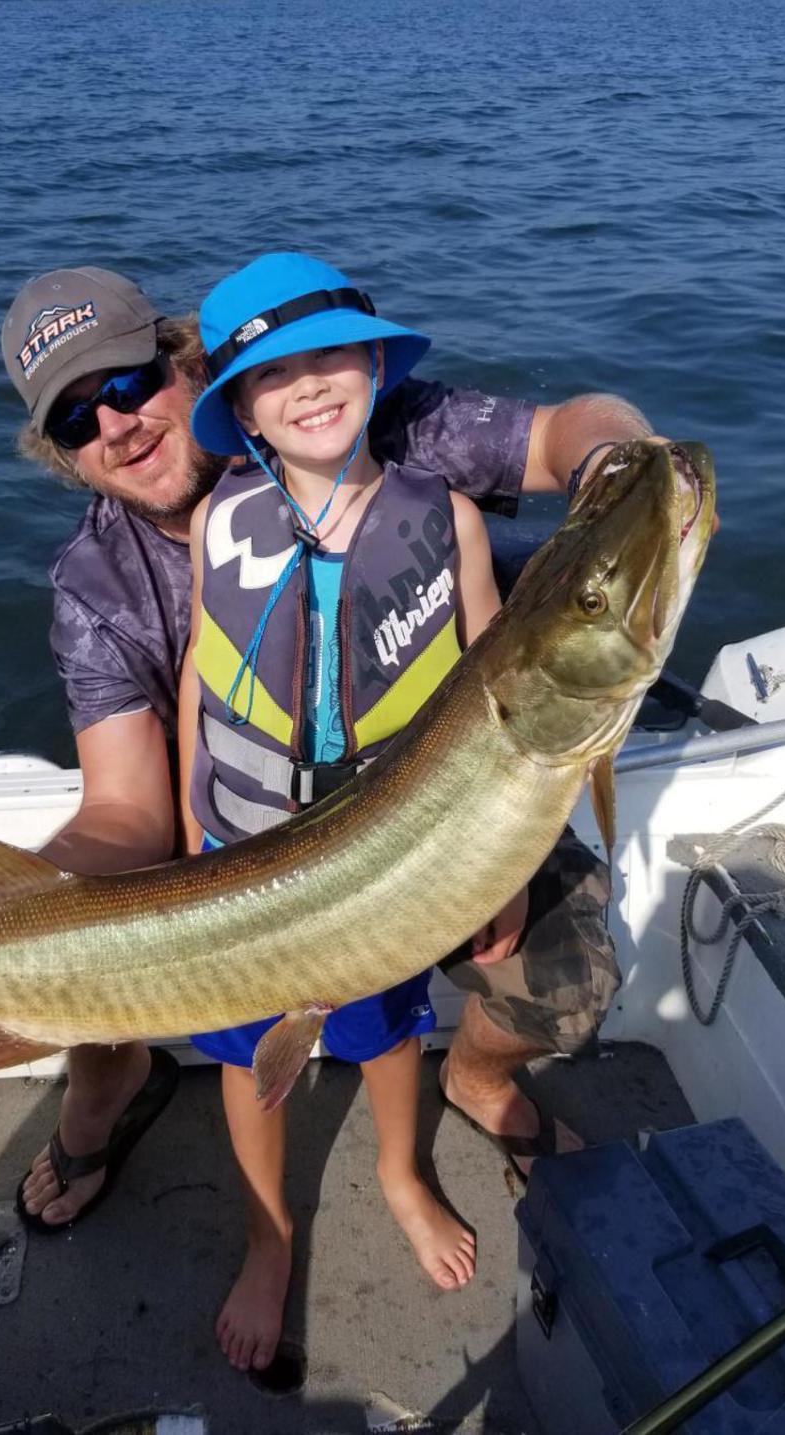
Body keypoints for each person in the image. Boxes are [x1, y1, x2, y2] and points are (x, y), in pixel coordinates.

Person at [0, 256, 645, 1358]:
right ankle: (145, 1136)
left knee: (509, 991)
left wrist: (622, 471)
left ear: (186, 365)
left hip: (433, 813)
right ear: (62, 453)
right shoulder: (97, 585)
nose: (116, 425)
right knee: (127, 1000)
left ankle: (468, 1088)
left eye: (127, 384)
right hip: (240, 853)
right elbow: (126, 807)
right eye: (77, 419)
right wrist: (0, 922)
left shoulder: (353, 413)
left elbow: (566, 433)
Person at [175, 256, 502, 1361]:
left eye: (328, 358)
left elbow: (495, 710)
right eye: (273, 375)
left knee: (386, 1029)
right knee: (243, 1050)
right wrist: (187, 828)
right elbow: (200, 679)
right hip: (241, 849)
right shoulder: (213, 524)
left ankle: (401, 1174)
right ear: (242, 413)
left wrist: (497, 872)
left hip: (389, 856)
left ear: (373, 363)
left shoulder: (448, 520)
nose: (308, 385)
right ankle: (268, 1233)